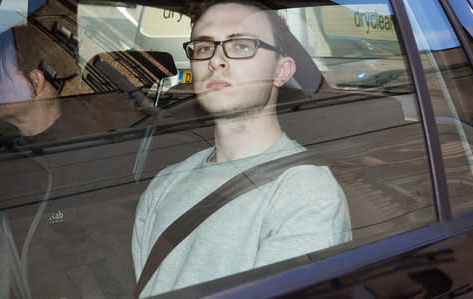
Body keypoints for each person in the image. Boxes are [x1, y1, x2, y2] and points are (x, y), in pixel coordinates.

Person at [132, 1, 352, 297]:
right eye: (203, 47)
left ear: (281, 71)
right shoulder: (165, 183)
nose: (216, 61)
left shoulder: (305, 192)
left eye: (241, 46)